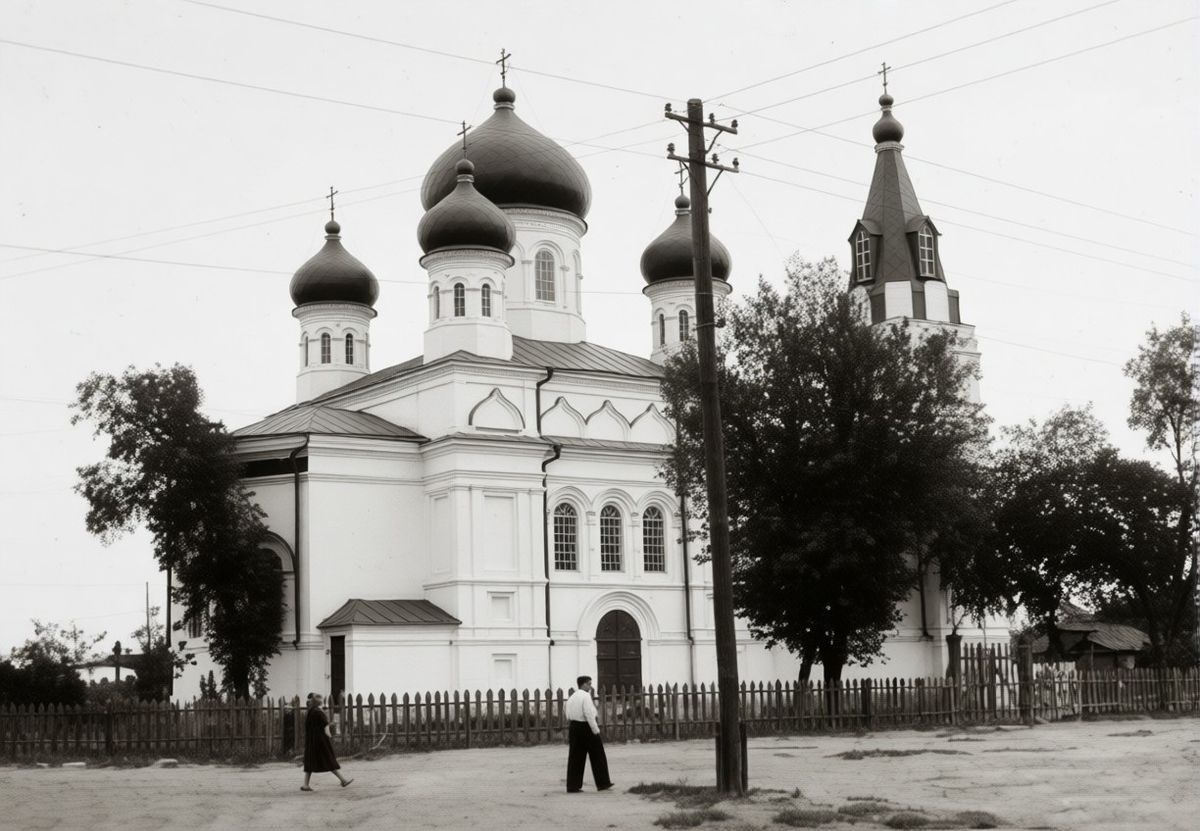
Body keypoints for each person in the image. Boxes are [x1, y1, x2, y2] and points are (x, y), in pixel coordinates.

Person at [564, 675, 613, 793]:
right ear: (583, 684)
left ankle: (572, 786)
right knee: (598, 755)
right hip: (586, 727)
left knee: (575, 757)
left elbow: (567, 712)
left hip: (574, 727)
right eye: (589, 684)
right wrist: (595, 730)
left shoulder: (572, 697)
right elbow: (588, 714)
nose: (590, 687)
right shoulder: (585, 696)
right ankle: (603, 783)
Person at [301, 692, 353, 791]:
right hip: (320, 741)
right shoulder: (319, 712)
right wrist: (331, 729)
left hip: (311, 741)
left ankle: (305, 785)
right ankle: (343, 780)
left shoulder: (310, 711)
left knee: (310, 762)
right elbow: (325, 727)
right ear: (318, 702)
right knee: (329, 760)